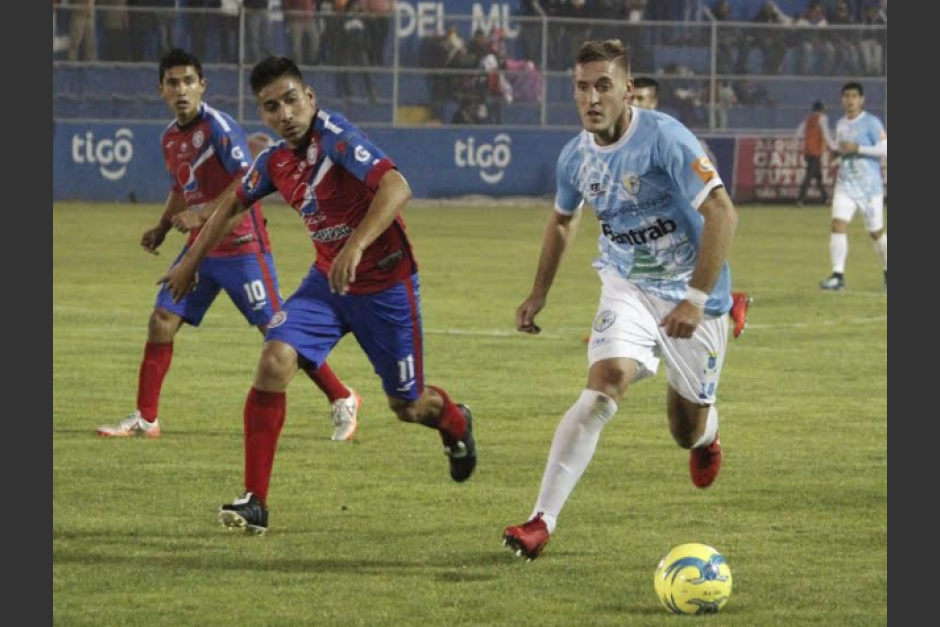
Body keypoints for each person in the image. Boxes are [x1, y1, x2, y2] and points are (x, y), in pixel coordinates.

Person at [160, 57, 477, 536]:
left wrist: (356, 244)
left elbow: (397, 187)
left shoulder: (336, 138)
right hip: (327, 285)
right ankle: (255, 502)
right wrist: (189, 262)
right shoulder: (275, 161)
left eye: (291, 100)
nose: (285, 113)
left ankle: (455, 422)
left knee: (407, 405)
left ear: (309, 97)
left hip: (385, 285)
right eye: (272, 107)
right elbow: (230, 207)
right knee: (274, 358)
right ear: (262, 113)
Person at [504, 41, 738, 561]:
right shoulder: (575, 157)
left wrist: (696, 298)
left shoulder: (665, 138)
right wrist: (538, 293)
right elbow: (562, 220)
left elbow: (722, 213)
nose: (592, 98)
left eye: (603, 86)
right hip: (626, 283)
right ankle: (541, 520)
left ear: (628, 90)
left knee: (685, 430)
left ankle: (707, 437)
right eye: (582, 87)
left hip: (691, 293)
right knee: (604, 384)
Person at [96, 50, 362, 443]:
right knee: (162, 320)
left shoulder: (218, 127)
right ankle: (146, 418)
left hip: (243, 249)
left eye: (189, 81)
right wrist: (163, 226)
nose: (181, 90)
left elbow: (246, 182)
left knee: (280, 334)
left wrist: (203, 213)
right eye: (173, 83)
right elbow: (180, 189)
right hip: (201, 250)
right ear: (161, 89)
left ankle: (341, 397)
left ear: (202, 85)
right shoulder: (170, 137)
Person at [820, 82, 888, 291]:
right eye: (846, 96)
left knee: (876, 233)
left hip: (869, 188)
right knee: (837, 225)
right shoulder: (841, 124)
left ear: (861, 99)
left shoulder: (871, 122)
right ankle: (837, 276)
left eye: (854, 96)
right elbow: (844, 149)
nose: (850, 100)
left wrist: (858, 148)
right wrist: (837, 154)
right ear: (842, 100)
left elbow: (885, 149)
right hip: (846, 185)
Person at [796, 101, 836, 207]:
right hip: (815, 152)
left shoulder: (808, 119)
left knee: (818, 176)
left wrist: (808, 138)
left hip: (808, 151)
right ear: (822, 109)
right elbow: (826, 134)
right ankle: (800, 199)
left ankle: (825, 198)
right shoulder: (822, 118)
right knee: (809, 176)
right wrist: (833, 147)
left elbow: (798, 133)